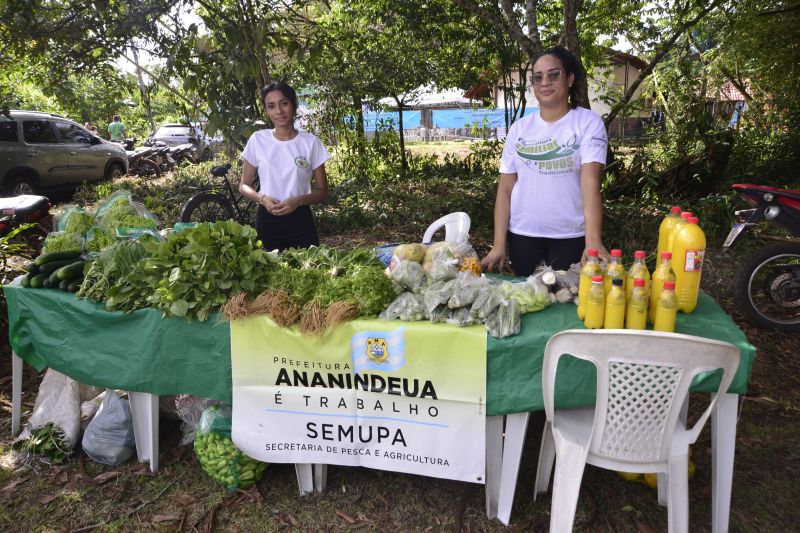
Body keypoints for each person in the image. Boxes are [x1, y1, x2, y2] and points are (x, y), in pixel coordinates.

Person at [481, 46, 610, 276]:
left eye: (554, 74)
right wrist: (499, 244)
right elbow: (505, 190)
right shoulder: (519, 129)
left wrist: (593, 241)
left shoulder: (588, 123)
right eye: (537, 77)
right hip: (522, 236)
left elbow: (590, 183)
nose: (544, 82)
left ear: (570, 79)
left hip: (570, 236)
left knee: (565, 303)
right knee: (528, 303)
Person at [239, 82, 330, 251]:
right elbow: (244, 185)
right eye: (271, 106)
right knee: (272, 273)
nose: (279, 111)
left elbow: (323, 191)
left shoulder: (310, 142)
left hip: (301, 219)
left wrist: (299, 200)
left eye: (284, 103)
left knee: (309, 272)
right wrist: (262, 199)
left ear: (294, 106)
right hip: (267, 220)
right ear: (266, 111)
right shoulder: (258, 140)